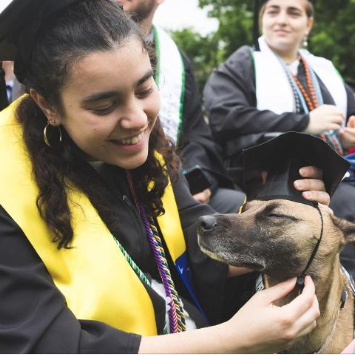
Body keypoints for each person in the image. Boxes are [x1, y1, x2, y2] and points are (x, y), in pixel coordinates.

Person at [0, 0, 327, 352]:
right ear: (48, 105)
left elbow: (191, 240)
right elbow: (44, 343)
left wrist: (276, 216)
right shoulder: (9, 187)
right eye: (104, 106)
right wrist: (233, 338)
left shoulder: (146, 154)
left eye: (144, 89)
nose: (138, 119)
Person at [203, 0, 355, 276]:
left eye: (293, 12)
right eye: (273, 11)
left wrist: (347, 139)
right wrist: (305, 123)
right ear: (263, 19)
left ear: (308, 24)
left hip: (329, 178)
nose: (282, 19)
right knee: (347, 207)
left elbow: (348, 118)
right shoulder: (243, 63)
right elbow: (224, 117)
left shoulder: (324, 70)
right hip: (265, 180)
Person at [116, 0, 245, 213]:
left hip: (171, 180)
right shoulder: (74, 46)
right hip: (108, 180)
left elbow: (195, 134)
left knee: (238, 205)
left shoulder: (176, 61)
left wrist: (195, 178)